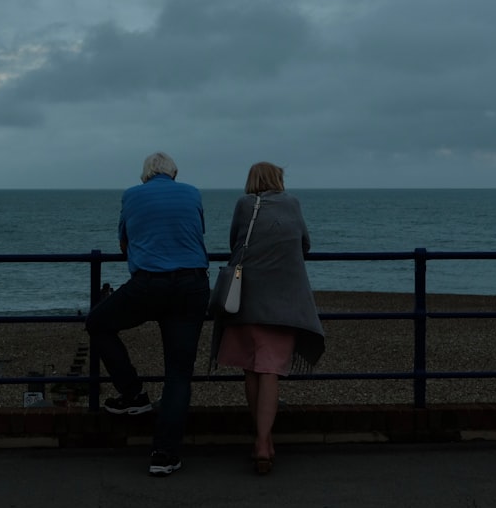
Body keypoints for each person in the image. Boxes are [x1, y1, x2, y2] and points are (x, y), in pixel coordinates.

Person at [84, 152, 210, 477]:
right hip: (192, 285)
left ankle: (132, 393)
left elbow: (125, 242)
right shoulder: (192, 192)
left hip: (149, 284)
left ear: (145, 175)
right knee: (178, 373)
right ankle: (164, 455)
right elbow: (198, 232)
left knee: (97, 323)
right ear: (174, 173)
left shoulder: (131, 195)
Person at [210, 161, 325, 475]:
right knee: (271, 370)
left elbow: (235, 242)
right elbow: (305, 245)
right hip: (283, 304)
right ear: (278, 179)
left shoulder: (245, 205)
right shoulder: (292, 204)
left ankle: (264, 440)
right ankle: (263, 443)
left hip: (245, 299)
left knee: (251, 369)